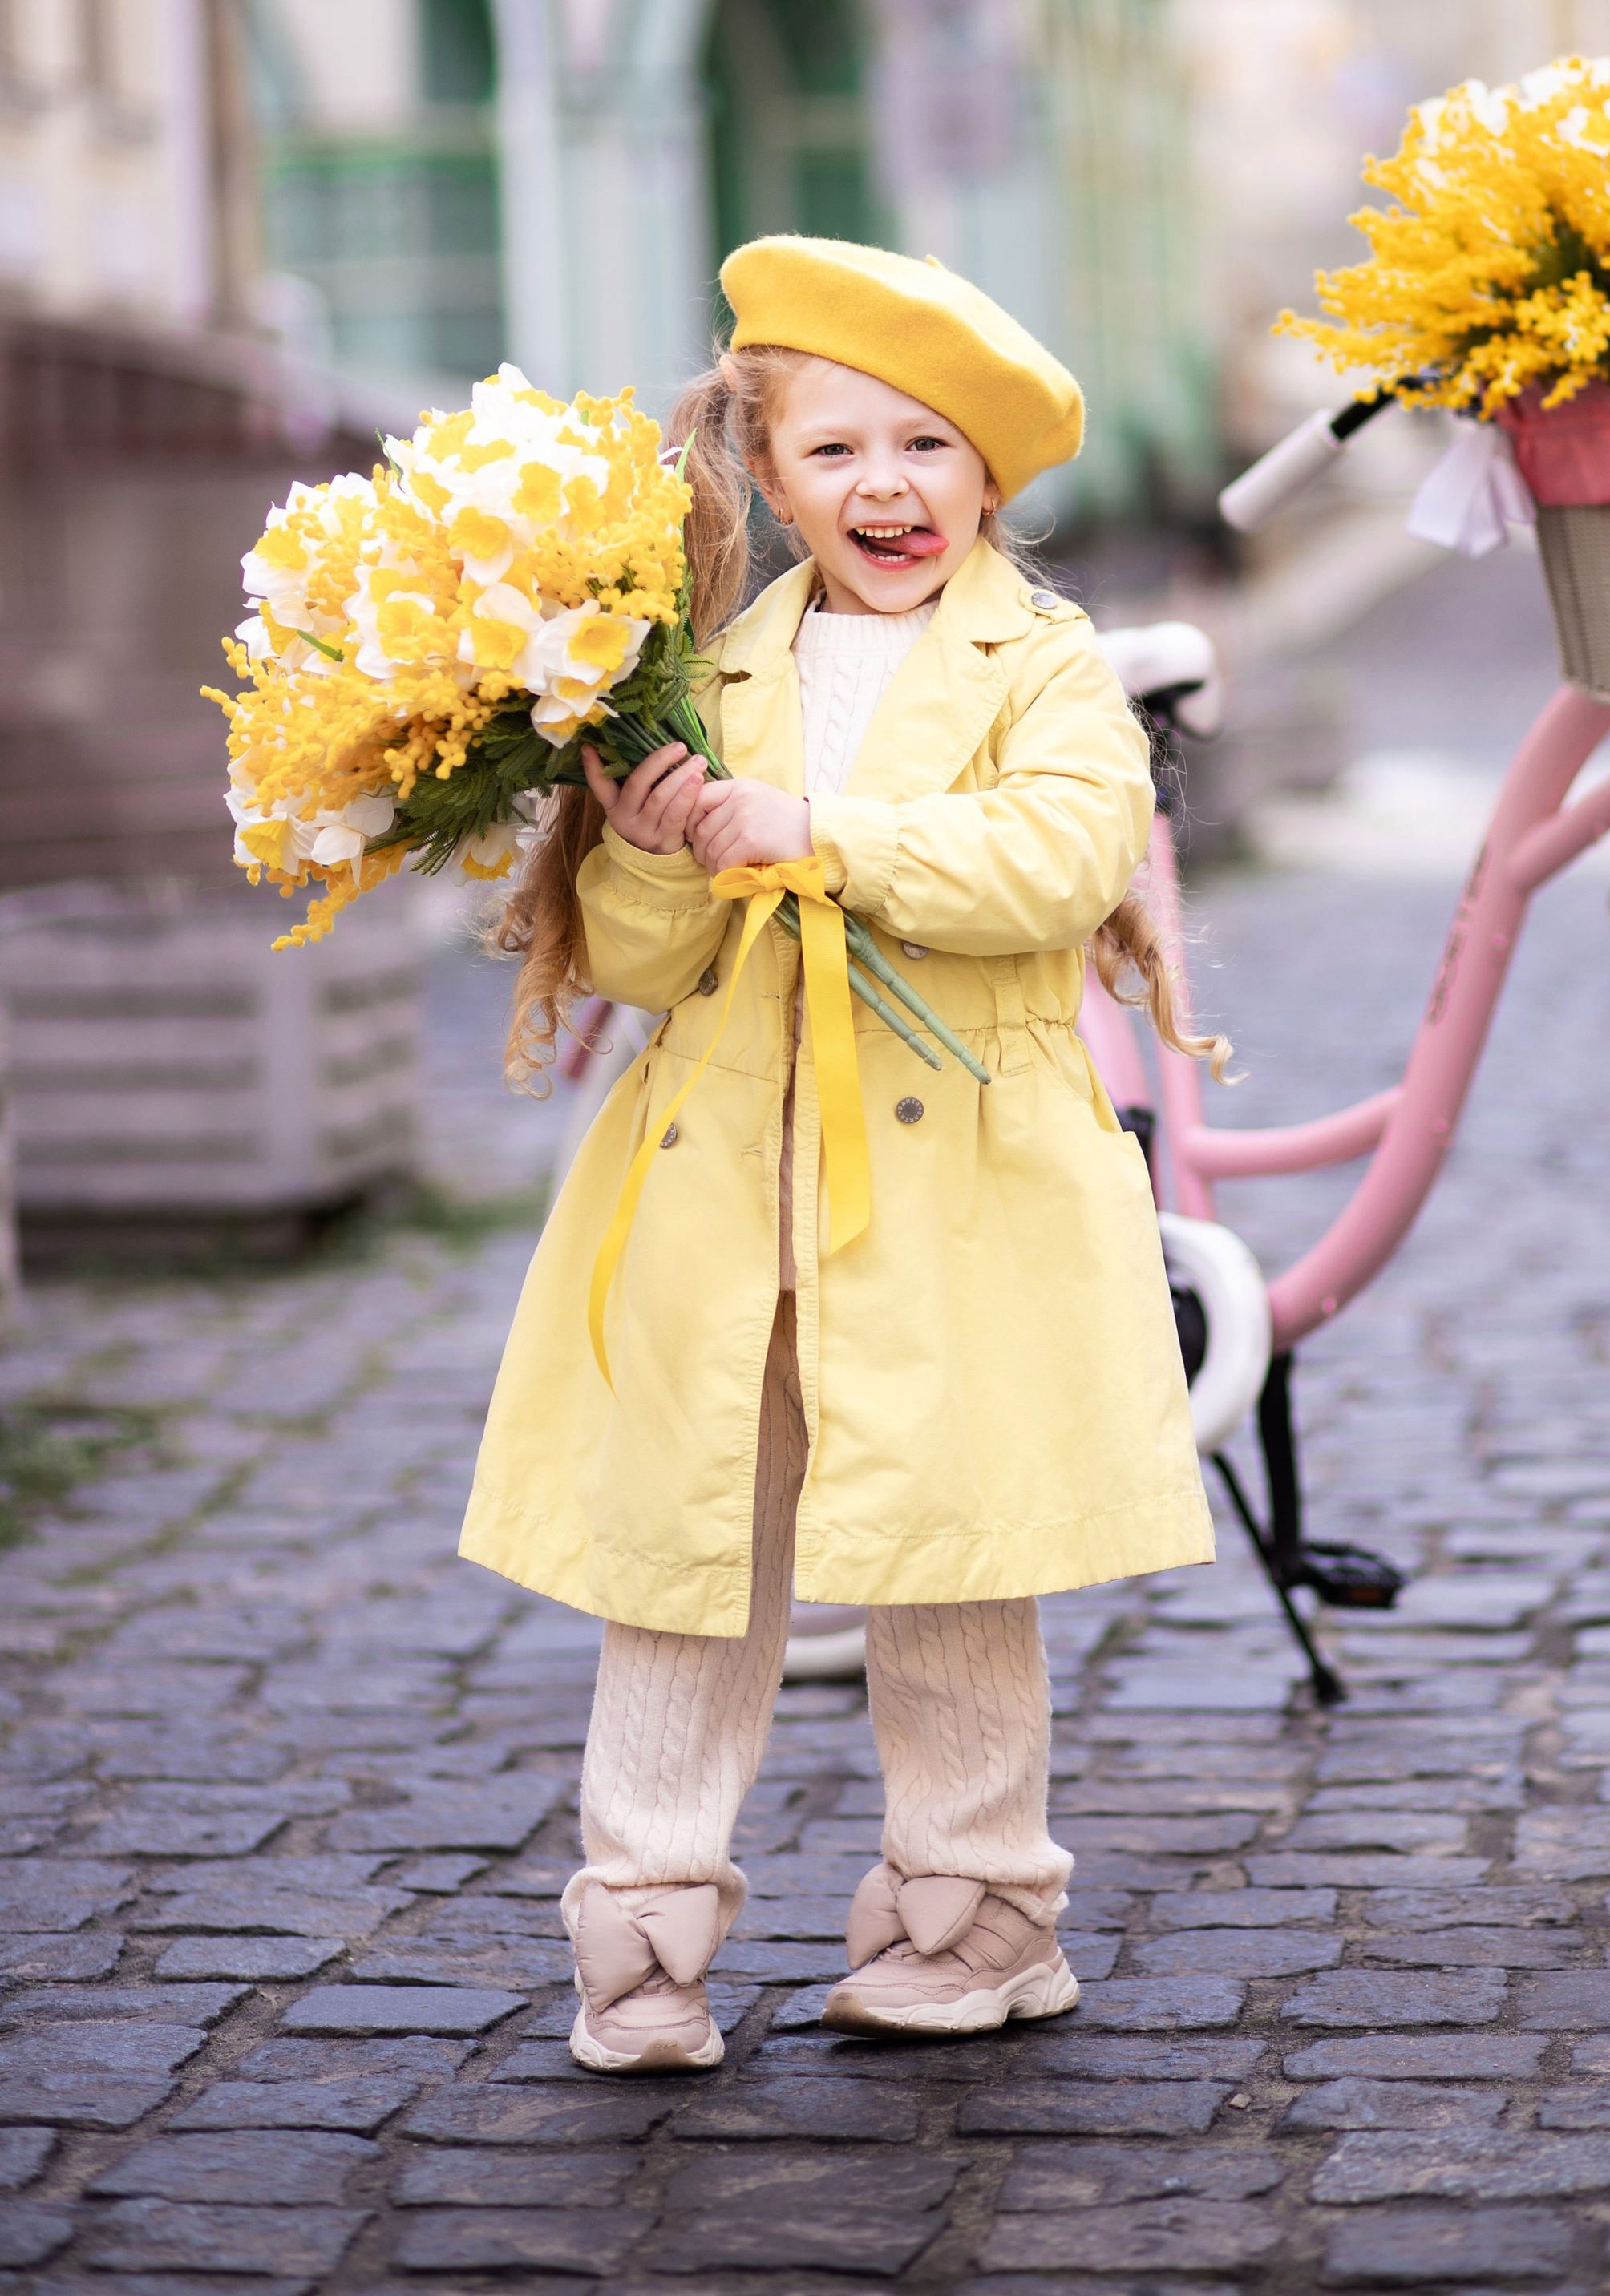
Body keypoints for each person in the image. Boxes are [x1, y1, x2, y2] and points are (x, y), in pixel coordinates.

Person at [460, 235, 1224, 2072]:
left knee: (949, 1553)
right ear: (768, 474)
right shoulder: (707, 672)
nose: (887, 485)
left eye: (926, 444)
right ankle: (642, 1934)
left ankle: (977, 1916)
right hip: (722, 1179)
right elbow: (642, 963)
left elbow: (1058, 859)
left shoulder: (1043, 662)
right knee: (685, 1555)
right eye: (836, 451)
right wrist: (652, 844)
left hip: (956, 1185)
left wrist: (816, 832)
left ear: (986, 472)